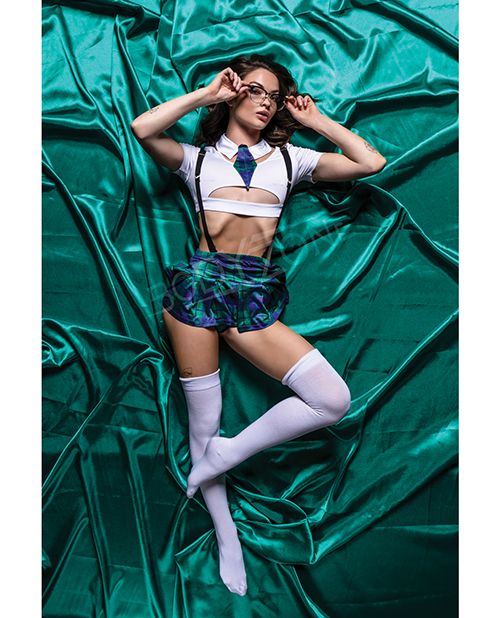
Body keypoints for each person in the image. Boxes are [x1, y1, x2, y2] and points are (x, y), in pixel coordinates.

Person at [131, 54, 386, 597]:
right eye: (254, 89)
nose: (266, 101)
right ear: (234, 93)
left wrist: (315, 121)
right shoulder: (197, 160)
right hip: (196, 292)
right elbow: (142, 128)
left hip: (253, 295)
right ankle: (227, 534)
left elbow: (370, 162)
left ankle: (228, 452)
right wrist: (206, 96)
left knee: (331, 399)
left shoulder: (292, 159)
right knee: (204, 423)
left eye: (274, 95)